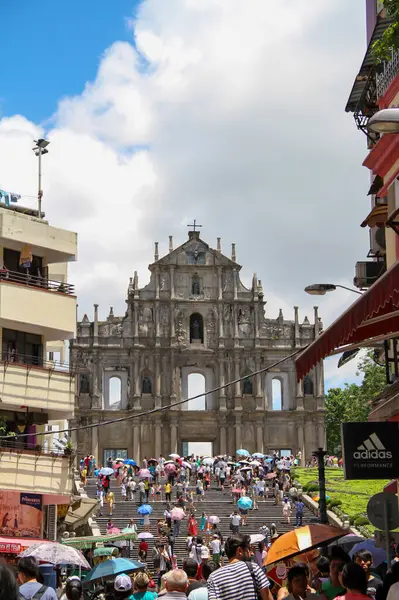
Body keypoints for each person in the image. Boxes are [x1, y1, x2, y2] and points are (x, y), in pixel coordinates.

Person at [207, 533, 272, 600]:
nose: (251, 553)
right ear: (240, 551)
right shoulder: (254, 568)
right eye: (249, 549)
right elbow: (268, 598)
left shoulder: (213, 577)